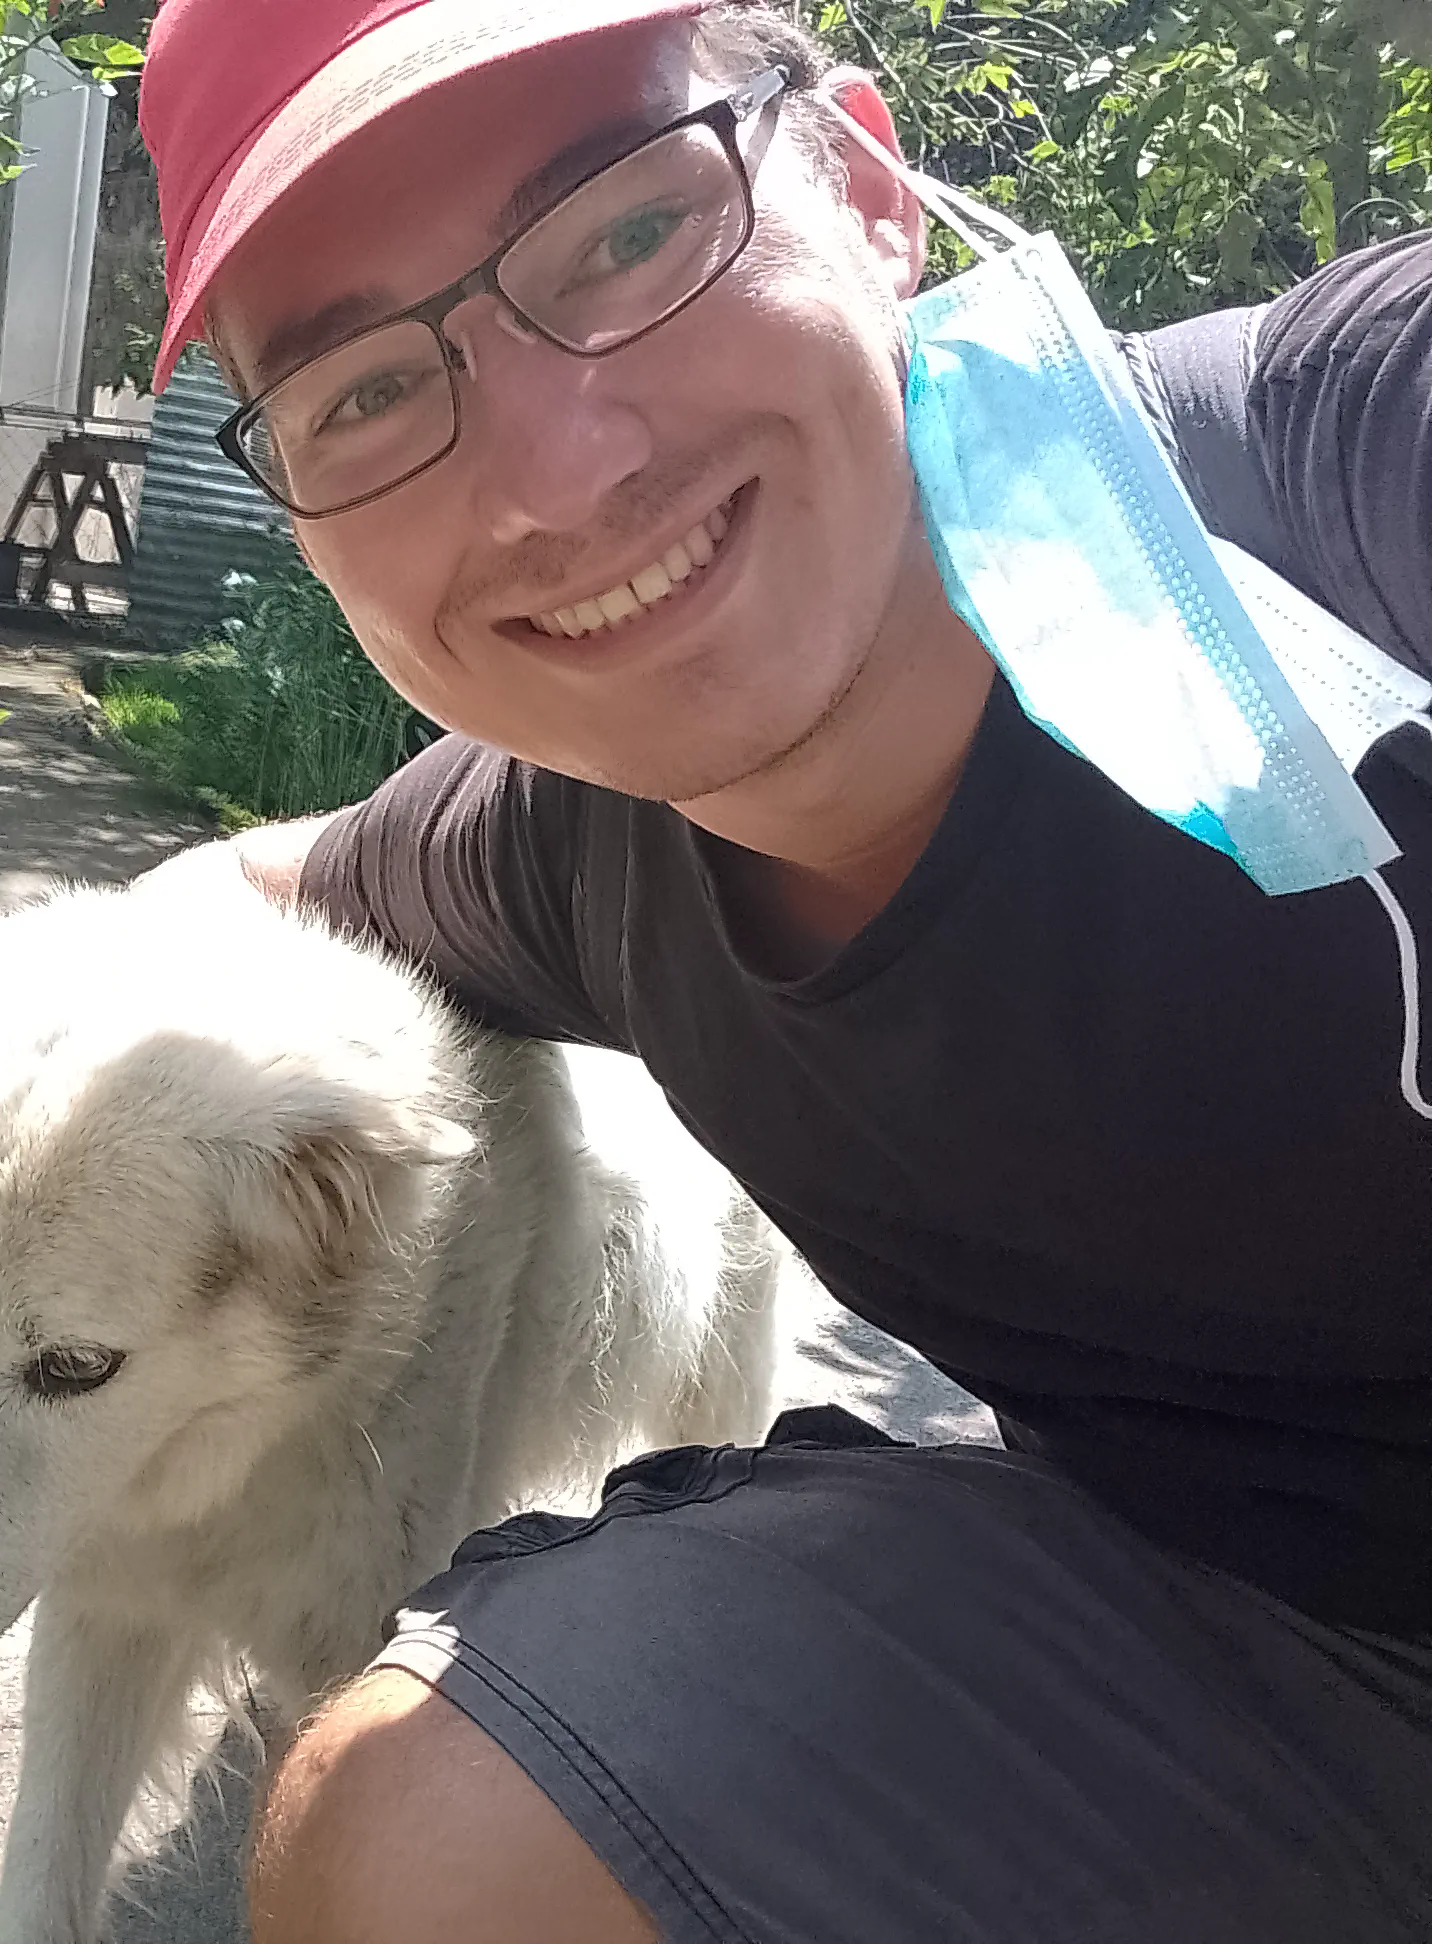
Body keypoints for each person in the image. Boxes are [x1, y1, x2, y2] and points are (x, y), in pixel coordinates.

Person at [131, 0, 1432, 1936]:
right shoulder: (568, 849)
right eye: (367, 399)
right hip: (1247, 1641)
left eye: (631, 236)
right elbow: (232, 898)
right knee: (423, 1830)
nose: (557, 480)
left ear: (871, 186)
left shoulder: (1341, 471)